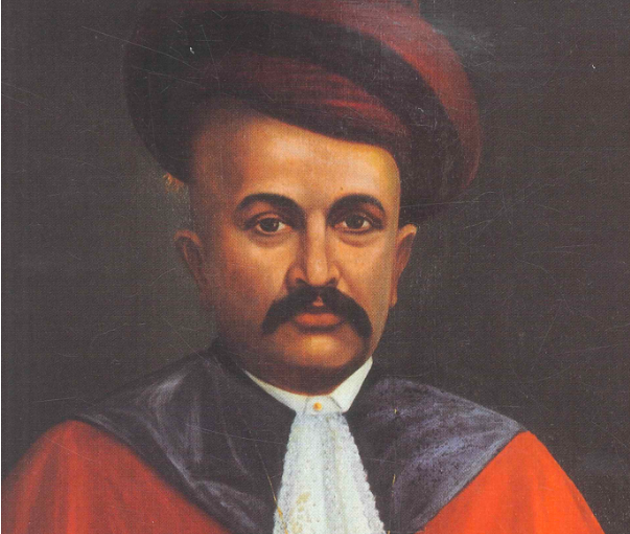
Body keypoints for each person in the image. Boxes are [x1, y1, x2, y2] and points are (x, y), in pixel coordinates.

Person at [1, 1, 604, 533]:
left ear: (398, 263)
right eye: (271, 224)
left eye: (356, 222)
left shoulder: (513, 478)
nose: (316, 272)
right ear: (198, 263)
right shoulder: (81, 473)